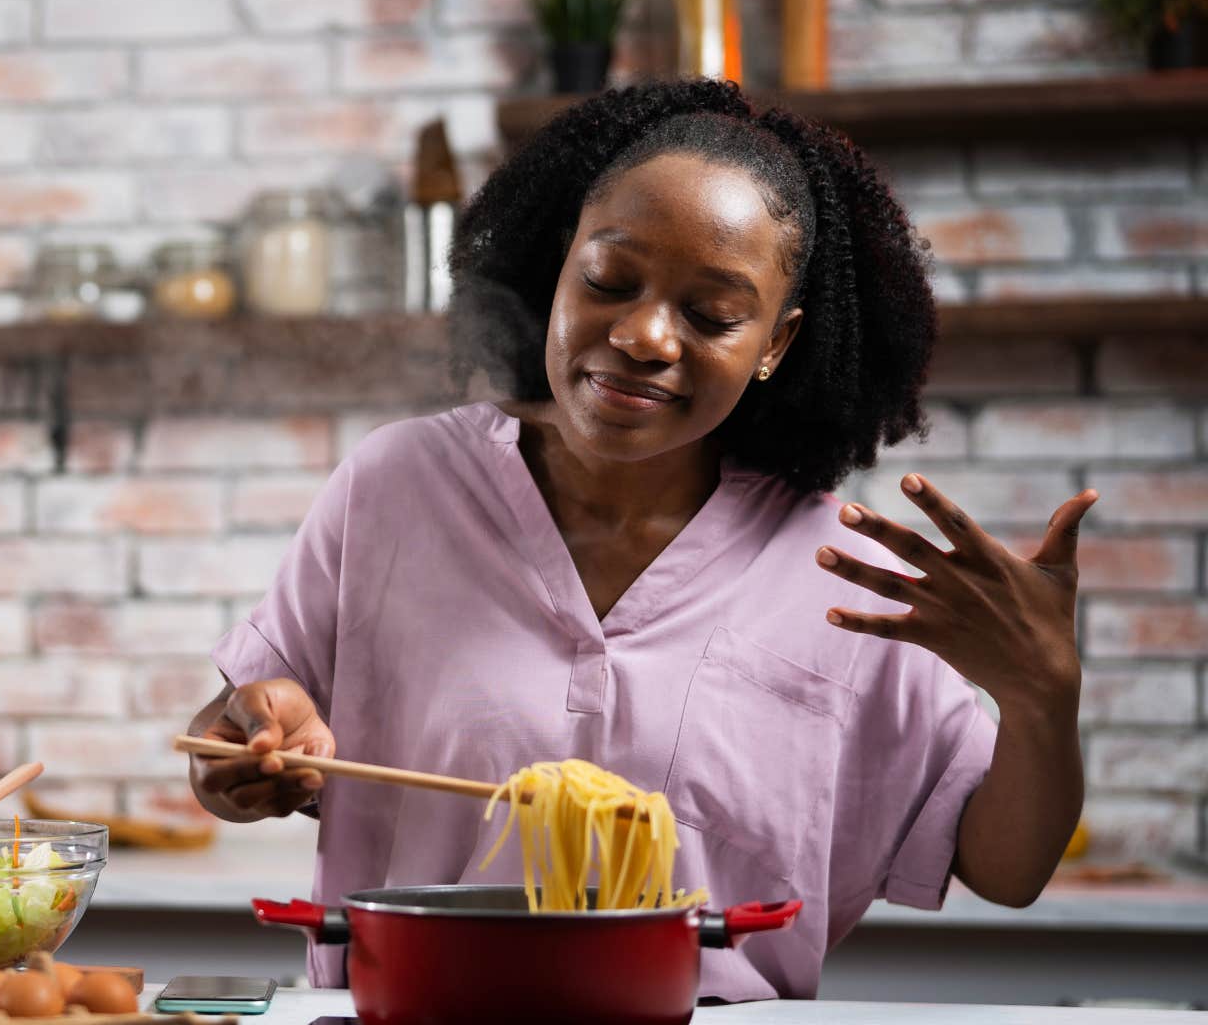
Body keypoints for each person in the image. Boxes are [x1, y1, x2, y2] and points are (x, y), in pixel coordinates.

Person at [185, 79, 1094, 1001]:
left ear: (775, 344)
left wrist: (1042, 694)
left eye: (711, 315)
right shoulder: (397, 487)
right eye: (609, 282)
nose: (645, 335)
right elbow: (225, 740)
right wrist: (244, 754)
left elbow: (1005, 868)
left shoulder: (841, 572)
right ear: (559, 268)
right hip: (416, 1007)